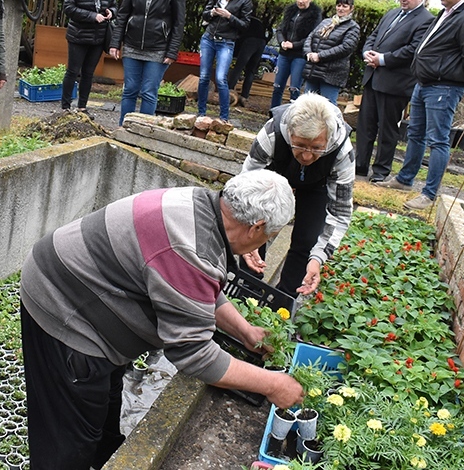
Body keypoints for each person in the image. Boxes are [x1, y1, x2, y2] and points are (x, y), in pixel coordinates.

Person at [20, 169, 305, 470]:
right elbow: (194, 355)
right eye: (269, 237)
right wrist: (273, 384)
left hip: (83, 287)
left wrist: (244, 330)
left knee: (102, 412)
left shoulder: (204, 208)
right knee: (67, 438)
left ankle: (104, 458)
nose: (263, 245)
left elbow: (198, 288)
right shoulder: (191, 245)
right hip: (65, 307)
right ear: (255, 227)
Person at [378, 0, 464, 210]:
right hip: (425, 83)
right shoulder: (447, 13)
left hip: (444, 86)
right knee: (415, 133)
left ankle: (429, 194)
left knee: (438, 140)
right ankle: (405, 179)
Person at [241, 93, 354, 296]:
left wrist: (318, 258)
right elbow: (244, 188)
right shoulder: (272, 133)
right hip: (274, 174)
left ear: (327, 138)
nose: (307, 156)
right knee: (257, 228)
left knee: (307, 240)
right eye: (300, 145)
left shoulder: (342, 151)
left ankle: (283, 302)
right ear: (290, 132)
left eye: (317, 148)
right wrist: (246, 234)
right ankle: (246, 291)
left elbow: (341, 212)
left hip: (317, 185)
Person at [356, 0, 434, 183]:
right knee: (365, 126)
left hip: (394, 84)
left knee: (387, 130)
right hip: (372, 78)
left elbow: (412, 50)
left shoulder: (426, 20)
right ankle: (360, 165)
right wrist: (368, 53)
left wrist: (382, 59)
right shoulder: (391, 13)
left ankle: (381, 171)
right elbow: (373, 36)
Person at [109, 0, 186, 125]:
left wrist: (172, 51)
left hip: (158, 48)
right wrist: (115, 42)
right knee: (130, 90)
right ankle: (124, 129)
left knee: (149, 92)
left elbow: (179, 21)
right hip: (132, 45)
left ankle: (143, 132)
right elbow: (123, 13)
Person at [61, 0, 117, 114]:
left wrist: (110, 13)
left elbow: (115, 6)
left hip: (98, 38)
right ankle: (65, 107)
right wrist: (92, 16)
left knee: (88, 73)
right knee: (72, 71)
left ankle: (82, 107)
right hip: (78, 36)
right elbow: (69, 9)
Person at [196, 0, 252, 122]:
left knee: (221, 78)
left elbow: (245, 25)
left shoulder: (245, 0)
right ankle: (201, 113)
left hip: (226, 42)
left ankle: (224, 117)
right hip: (209, 38)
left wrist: (229, 16)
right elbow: (205, 13)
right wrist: (213, 13)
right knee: (204, 77)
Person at [270, 0, 323, 109]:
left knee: (294, 88)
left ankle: (293, 117)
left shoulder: (315, 15)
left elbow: (312, 37)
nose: (301, 1)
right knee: (277, 86)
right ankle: (273, 114)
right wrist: (282, 42)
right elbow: (280, 30)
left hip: (300, 55)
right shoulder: (290, 11)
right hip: (284, 54)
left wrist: (293, 45)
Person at [302, 0, 360, 105]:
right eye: (338, 5)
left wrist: (320, 56)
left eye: (345, 6)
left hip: (331, 75)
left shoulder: (353, 27)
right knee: (307, 106)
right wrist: (308, 53)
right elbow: (311, 37)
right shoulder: (326, 22)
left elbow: (346, 48)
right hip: (313, 71)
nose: (341, 9)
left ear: (351, 8)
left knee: (328, 108)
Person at [228, 16, 269, 107]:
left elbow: (238, 36)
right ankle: (245, 96)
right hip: (261, 42)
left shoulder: (243, 19)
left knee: (239, 67)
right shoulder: (257, 21)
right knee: (251, 70)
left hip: (250, 41)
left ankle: (229, 90)